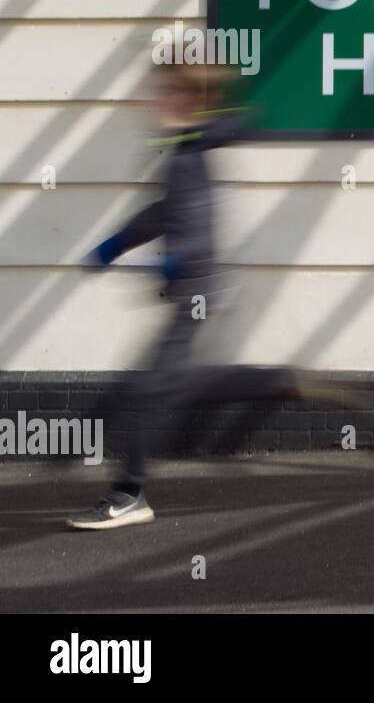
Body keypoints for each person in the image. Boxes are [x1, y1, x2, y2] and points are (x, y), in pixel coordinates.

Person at [67, 61, 329, 530]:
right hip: (195, 290)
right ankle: (275, 382)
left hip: (195, 293)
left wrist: (177, 260)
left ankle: (129, 493)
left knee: (152, 390)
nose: (148, 103)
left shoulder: (190, 147)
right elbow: (163, 212)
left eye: (158, 94)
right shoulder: (183, 149)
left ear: (181, 101)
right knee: (176, 386)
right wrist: (113, 246)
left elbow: (194, 220)